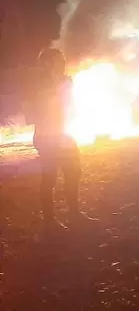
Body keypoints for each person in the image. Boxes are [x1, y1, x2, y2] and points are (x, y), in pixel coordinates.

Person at [29, 48, 96, 232]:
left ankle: (74, 214)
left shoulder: (66, 81)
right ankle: (50, 221)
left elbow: (70, 106)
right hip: (47, 135)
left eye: (63, 60)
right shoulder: (39, 84)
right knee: (49, 178)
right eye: (59, 60)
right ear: (48, 63)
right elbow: (38, 111)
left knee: (74, 173)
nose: (63, 63)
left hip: (64, 134)